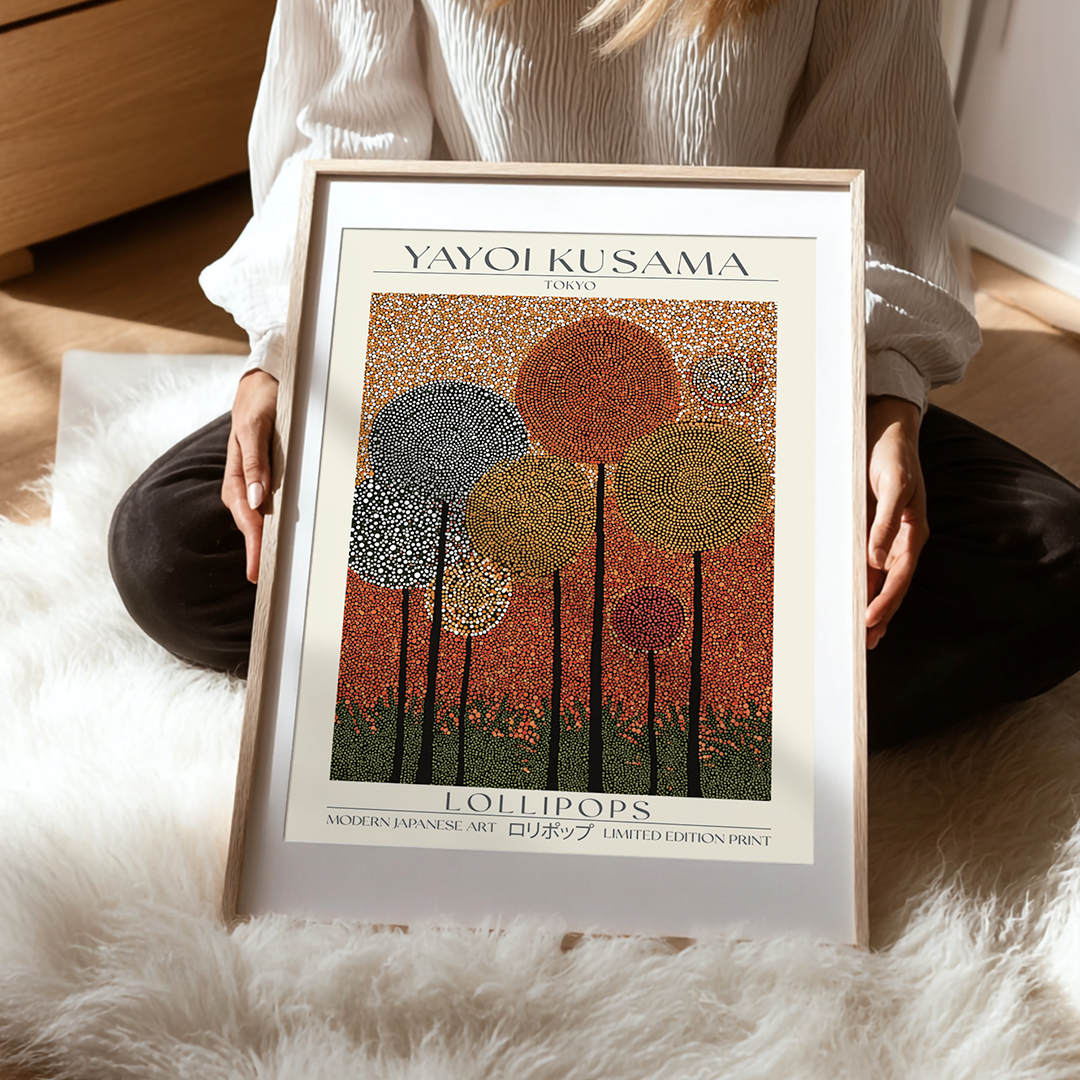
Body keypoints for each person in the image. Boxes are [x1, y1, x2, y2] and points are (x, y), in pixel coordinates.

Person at [108, 0, 1080, 749]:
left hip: (742, 386)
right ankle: (699, 695)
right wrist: (283, 357)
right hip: (460, 379)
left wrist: (879, 404)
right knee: (178, 548)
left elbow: (874, 176)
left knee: (1055, 560)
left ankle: (503, 687)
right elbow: (338, 144)